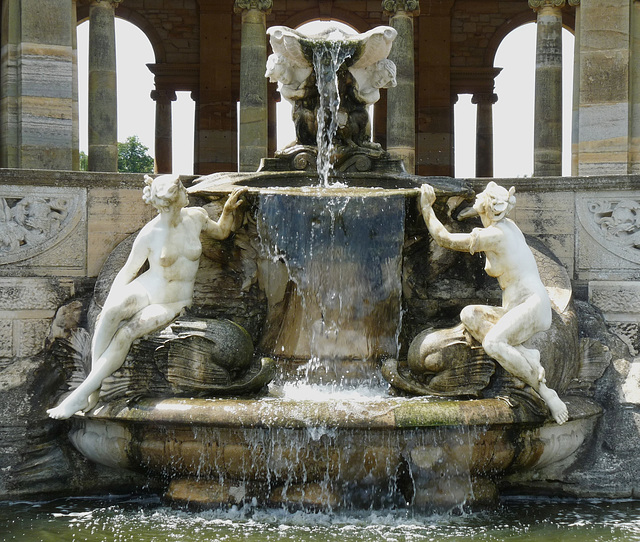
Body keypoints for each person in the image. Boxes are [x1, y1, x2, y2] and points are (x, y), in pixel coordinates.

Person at [47, 174, 247, 419]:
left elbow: (222, 232)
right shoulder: (150, 232)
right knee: (110, 313)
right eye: (182, 189)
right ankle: (93, 388)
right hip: (147, 287)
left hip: (174, 301)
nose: (187, 192)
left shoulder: (196, 217)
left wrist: (227, 211)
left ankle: (82, 393)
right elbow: (128, 271)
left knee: (126, 333)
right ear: (173, 200)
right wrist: (109, 304)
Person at [419, 182, 569, 425]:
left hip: (531, 305)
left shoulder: (496, 235)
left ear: (487, 206)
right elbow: (476, 213)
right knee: (469, 314)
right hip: (516, 306)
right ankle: (524, 354)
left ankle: (545, 392)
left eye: (481, 199)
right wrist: (473, 210)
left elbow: (444, 239)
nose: (476, 198)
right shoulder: (503, 225)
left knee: (493, 342)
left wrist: (427, 208)